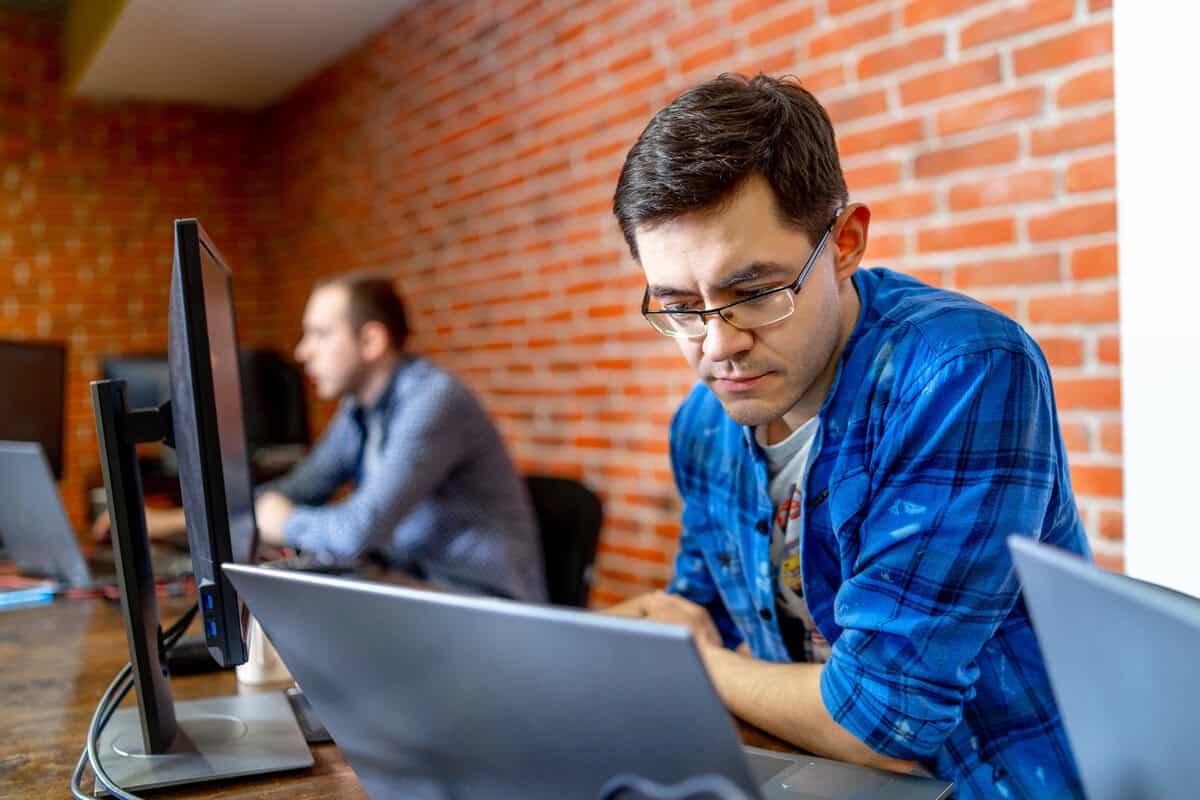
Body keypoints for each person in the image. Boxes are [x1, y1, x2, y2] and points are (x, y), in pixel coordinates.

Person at [604, 74, 1086, 799]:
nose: (717, 345)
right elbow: (698, 607)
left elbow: (882, 727)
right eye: (678, 305)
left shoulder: (965, 374)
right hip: (808, 777)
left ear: (845, 243)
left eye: (755, 292)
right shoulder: (703, 423)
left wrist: (693, 661)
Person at [100, 275, 546, 602]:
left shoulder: (433, 401)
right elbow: (302, 487)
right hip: (416, 591)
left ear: (370, 340)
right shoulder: (360, 408)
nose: (301, 351)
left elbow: (356, 531)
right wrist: (176, 521)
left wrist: (285, 521)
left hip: (485, 610)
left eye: (319, 334)